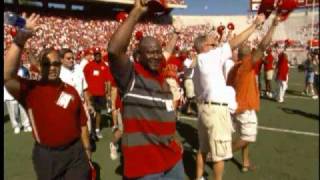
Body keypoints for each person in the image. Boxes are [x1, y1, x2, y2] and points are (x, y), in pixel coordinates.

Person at [4, 13, 91, 179]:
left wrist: (87, 150)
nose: (52, 67)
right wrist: (21, 38)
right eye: (46, 64)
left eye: (56, 63)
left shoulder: (71, 91)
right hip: (47, 156)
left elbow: (82, 124)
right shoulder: (30, 89)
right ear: (39, 66)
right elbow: (7, 75)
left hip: (75, 153)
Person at [107, 0, 184, 179]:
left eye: (157, 51)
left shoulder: (160, 75)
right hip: (146, 169)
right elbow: (114, 51)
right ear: (138, 56)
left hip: (172, 160)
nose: (156, 56)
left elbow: (166, 53)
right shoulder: (132, 77)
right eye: (150, 52)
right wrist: (137, 10)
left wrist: (176, 33)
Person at [193, 13, 266, 180]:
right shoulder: (211, 55)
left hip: (203, 108)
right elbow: (236, 42)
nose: (214, 43)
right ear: (205, 45)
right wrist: (255, 24)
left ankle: (198, 178)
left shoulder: (198, 62)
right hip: (216, 110)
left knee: (203, 149)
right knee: (219, 155)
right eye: (210, 42)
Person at [227, 15, 280, 172]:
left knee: (244, 135)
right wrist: (273, 26)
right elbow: (263, 46)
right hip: (245, 107)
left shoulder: (233, 69)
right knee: (248, 137)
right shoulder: (246, 65)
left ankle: (245, 162)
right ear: (248, 55)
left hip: (237, 107)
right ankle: (221, 153)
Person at [59, 48, 96, 140]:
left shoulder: (78, 68)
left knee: (86, 130)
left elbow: (84, 88)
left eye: (72, 58)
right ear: (61, 60)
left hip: (82, 104)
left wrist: (89, 104)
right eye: (68, 58)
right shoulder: (58, 72)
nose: (71, 60)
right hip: (67, 106)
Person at [83, 49, 113, 140]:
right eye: (95, 54)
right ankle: (91, 130)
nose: (97, 56)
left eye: (98, 54)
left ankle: (97, 129)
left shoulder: (104, 66)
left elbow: (108, 80)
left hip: (101, 93)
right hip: (90, 94)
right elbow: (83, 79)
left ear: (100, 55)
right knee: (91, 112)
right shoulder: (88, 66)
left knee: (99, 112)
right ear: (94, 55)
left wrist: (108, 93)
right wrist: (86, 92)